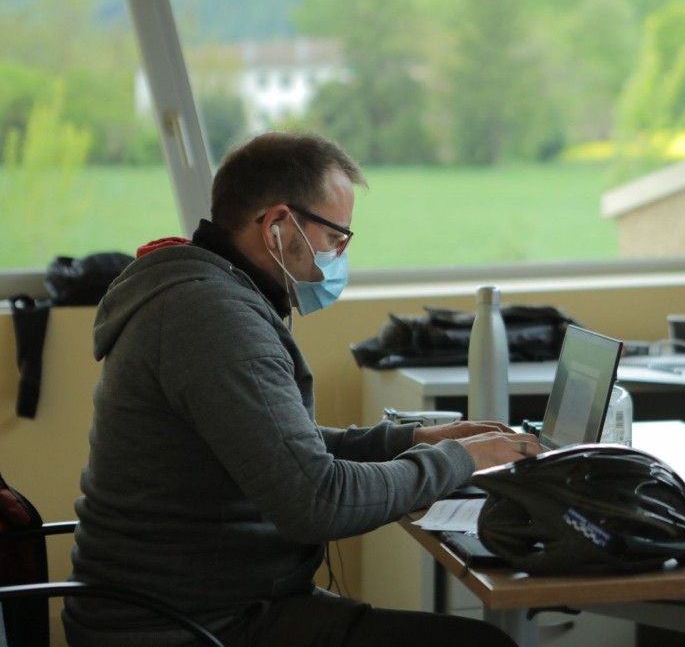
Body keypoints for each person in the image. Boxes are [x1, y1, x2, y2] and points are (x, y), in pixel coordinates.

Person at [65, 132, 534, 647]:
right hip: (185, 626)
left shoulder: (209, 295)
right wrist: (459, 461)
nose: (340, 256)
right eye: (336, 238)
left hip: (206, 603)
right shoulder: (212, 319)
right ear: (277, 226)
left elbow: (284, 449)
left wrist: (414, 440)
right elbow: (316, 499)